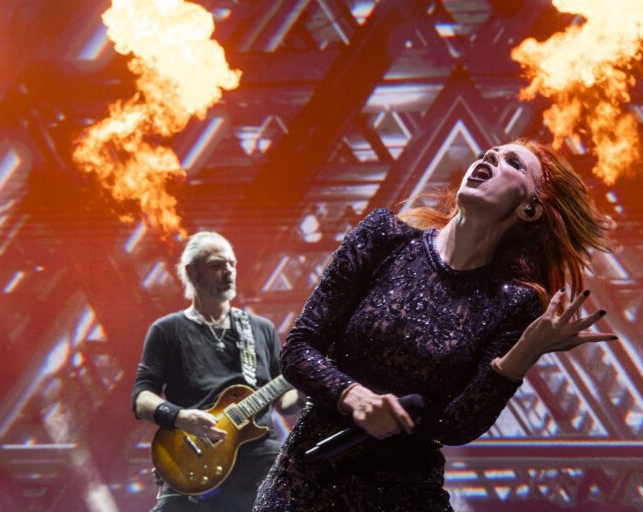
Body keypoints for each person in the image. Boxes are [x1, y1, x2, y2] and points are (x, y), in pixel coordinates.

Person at [253, 139, 616, 511]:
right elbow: (298, 349)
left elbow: (454, 428)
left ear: (530, 208)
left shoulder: (513, 302)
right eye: (490, 153)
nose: (490, 157)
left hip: (405, 495)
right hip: (305, 483)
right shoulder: (383, 237)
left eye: (513, 163)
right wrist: (353, 396)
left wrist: (524, 353)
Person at [132, 231, 301, 512]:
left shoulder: (260, 329)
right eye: (216, 265)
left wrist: (304, 393)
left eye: (232, 264)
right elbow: (141, 399)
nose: (228, 272)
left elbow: (283, 403)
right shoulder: (167, 330)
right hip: (190, 460)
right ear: (192, 273)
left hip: (258, 461)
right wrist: (180, 417)